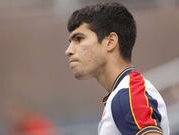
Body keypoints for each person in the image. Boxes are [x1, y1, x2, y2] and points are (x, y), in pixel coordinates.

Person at [65, 2, 169, 135]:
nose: (69, 51)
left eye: (79, 39)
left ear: (110, 42)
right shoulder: (123, 93)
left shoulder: (128, 94)